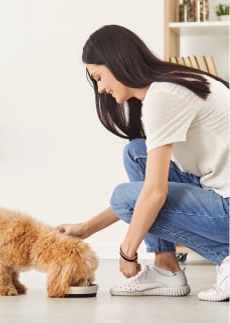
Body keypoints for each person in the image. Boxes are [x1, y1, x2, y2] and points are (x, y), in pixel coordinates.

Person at [57, 25, 229, 302]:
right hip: (218, 191)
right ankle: (166, 267)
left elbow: (153, 194)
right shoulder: (171, 83)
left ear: (118, 63)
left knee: (125, 197)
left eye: (99, 77)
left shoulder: (163, 97)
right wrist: (86, 228)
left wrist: (127, 251)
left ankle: (226, 257)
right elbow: (149, 189)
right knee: (136, 153)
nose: (101, 89)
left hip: (227, 205)